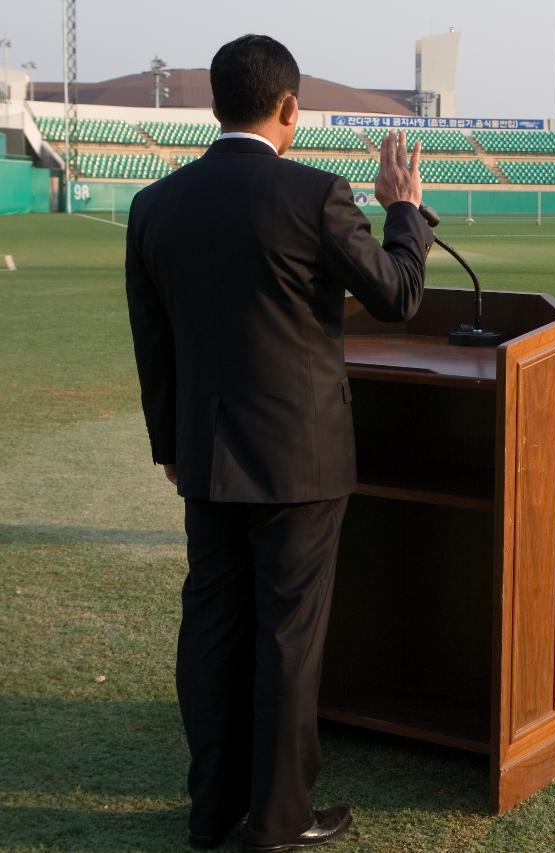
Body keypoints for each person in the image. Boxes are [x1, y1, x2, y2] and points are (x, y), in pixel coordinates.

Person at [125, 35, 429, 852]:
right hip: (300, 460)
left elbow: (151, 341)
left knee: (213, 626)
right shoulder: (316, 194)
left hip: (203, 456)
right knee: (287, 638)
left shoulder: (155, 204)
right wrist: (403, 207)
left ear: (216, 104)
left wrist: (170, 445)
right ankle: (281, 816)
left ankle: (212, 809)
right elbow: (398, 294)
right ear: (289, 107)